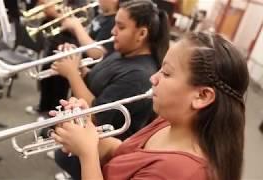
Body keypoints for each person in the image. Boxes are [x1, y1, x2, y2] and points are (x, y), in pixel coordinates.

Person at [51, 31, 250, 180]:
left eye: (167, 73)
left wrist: (87, 154)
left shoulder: (180, 172)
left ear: (202, 96)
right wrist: (86, 128)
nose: (153, 78)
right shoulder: (169, 121)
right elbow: (125, 155)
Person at [51, 0, 169, 179]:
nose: (113, 31)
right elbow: (96, 80)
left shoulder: (139, 76)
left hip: (98, 156)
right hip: (86, 146)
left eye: (120, 27)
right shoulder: (123, 52)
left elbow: (98, 116)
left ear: (142, 33)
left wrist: (72, 74)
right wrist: (76, 64)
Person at [26, 0, 116, 117]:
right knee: (48, 78)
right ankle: (45, 110)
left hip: (88, 74)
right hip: (80, 65)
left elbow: (97, 53)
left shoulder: (111, 21)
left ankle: (52, 115)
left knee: (60, 88)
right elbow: (87, 37)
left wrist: (69, 22)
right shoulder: (102, 16)